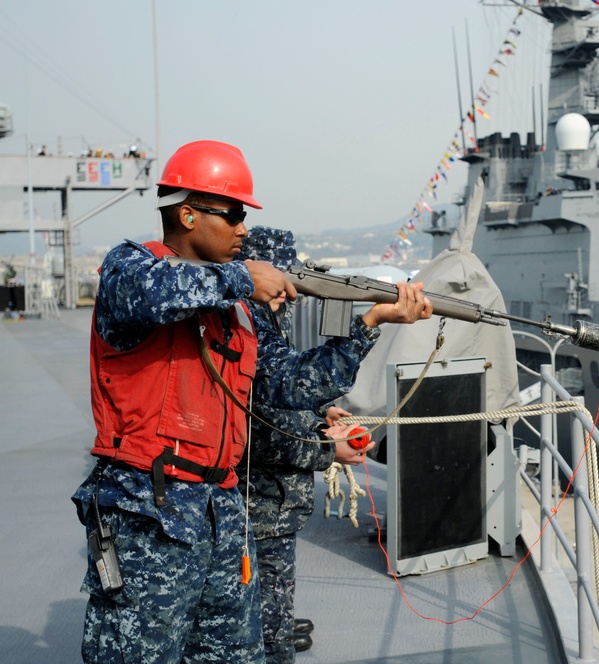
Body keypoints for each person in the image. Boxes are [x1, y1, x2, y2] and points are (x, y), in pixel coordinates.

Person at [71, 140, 432, 663]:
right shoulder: (130, 267)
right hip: (149, 515)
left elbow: (287, 385)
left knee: (239, 655)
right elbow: (149, 291)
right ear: (187, 213)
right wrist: (245, 277)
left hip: (222, 513)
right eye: (234, 213)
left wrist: (370, 324)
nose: (244, 229)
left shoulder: (237, 313)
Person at [235, 227, 375, 662]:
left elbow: (275, 398)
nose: (285, 293)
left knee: (269, 613)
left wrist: (317, 418)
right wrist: (328, 451)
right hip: (255, 510)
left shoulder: (266, 316)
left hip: (273, 508)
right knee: (261, 635)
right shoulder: (246, 321)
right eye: (277, 282)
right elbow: (254, 433)